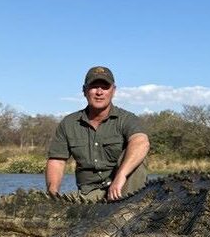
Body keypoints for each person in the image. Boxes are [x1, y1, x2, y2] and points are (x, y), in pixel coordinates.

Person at [45, 66, 150, 201]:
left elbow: (141, 142)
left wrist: (120, 177)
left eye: (105, 87)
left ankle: (127, 212)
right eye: (94, 86)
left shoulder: (127, 119)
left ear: (113, 91)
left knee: (137, 157)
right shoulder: (68, 123)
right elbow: (57, 161)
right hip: (89, 193)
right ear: (84, 90)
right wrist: (52, 196)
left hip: (122, 188)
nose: (99, 92)